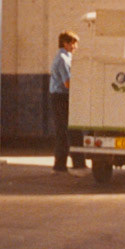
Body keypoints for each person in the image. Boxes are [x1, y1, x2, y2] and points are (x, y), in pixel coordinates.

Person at [49, 31, 82, 171]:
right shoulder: (63, 59)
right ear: (65, 43)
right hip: (61, 97)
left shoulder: (66, 57)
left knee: (67, 130)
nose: (75, 46)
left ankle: (67, 163)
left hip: (61, 96)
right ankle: (62, 164)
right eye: (73, 43)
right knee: (65, 130)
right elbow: (67, 82)